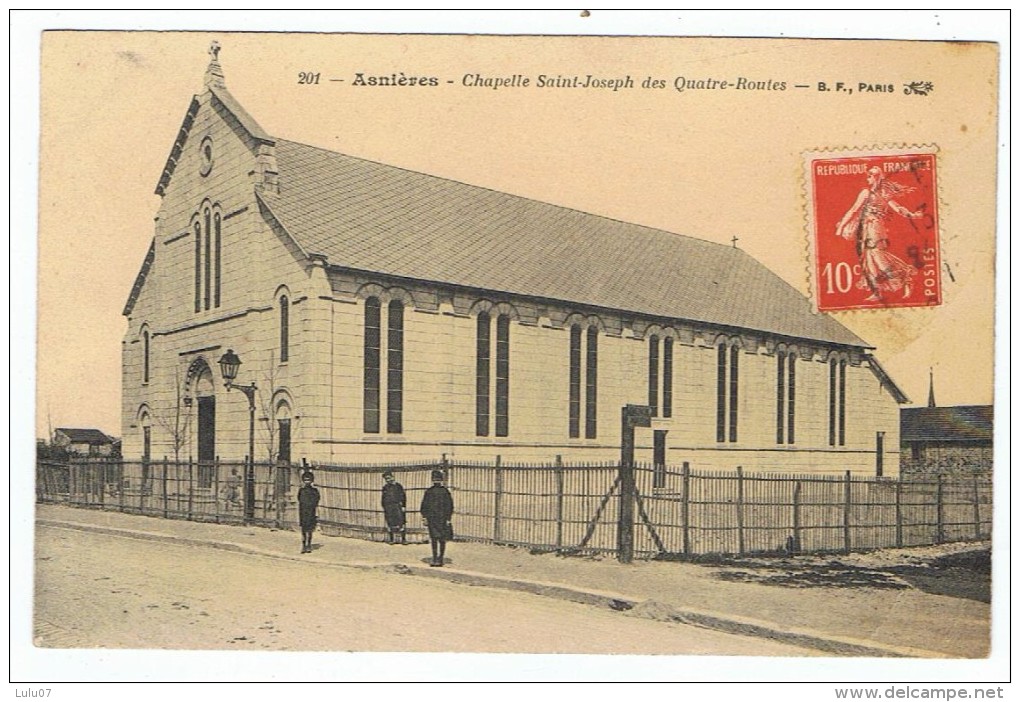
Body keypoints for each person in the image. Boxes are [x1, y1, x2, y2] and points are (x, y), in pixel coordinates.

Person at [835, 166, 923, 301]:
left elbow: (853, 210)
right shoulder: (880, 194)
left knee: (877, 255)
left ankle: (904, 277)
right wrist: (912, 215)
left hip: (874, 228)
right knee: (869, 258)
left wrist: (841, 226)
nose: (867, 179)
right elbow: (899, 209)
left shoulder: (868, 193)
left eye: (869, 176)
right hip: (866, 229)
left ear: (875, 178)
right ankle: (877, 291)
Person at [419, 469, 454, 567]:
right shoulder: (429, 492)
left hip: (442, 519)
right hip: (432, 519)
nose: (436, 481)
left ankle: (440, 558)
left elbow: (449, 506)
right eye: (435, 479)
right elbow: (424, 505)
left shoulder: (445, 492)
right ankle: (434, 558)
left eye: (438, 479)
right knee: (434, 539)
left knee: (442, 539)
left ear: (441, 480)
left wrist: (448, 518)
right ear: (432, 480)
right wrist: (424, 517)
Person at [297, 470, 320, 554]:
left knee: (310, 529)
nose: (307, 482)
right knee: (303, 529)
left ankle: (309, 545)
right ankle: (303, 545)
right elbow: (299, 499)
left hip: (311, 512)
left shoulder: (314, 491)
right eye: (306, 480)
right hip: (303, 512)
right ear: (303, 480)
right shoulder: (301, 490)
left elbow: (317, 500)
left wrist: (312, 506)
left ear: (312, 481)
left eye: (309, 480)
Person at [381, 471, 407, 544]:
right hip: (388, 507)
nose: (388, 480)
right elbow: (383, 498)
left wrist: (403, 506)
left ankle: (403, 539)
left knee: (401, 522)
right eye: (386, 479)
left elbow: (403, 497)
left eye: (389, 478)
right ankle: (392, 539)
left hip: (397, 506)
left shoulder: (398, 486)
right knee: (390, 522)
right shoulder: (385, 487)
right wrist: (384, 506)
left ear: (393, 477)